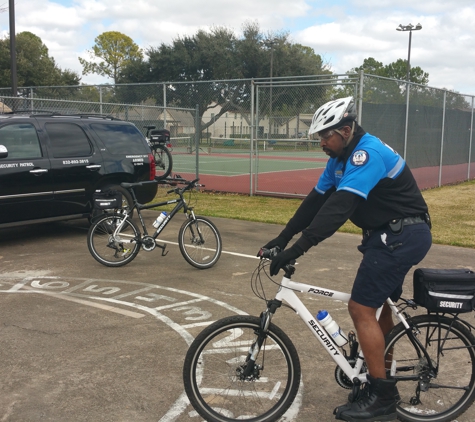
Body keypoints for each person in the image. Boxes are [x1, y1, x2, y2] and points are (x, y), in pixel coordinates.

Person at [260, 96, 432, 421]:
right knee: (378, 308)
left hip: (400, 236)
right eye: (320, 137)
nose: (322, 143)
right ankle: (381, 376)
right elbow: (315, 203)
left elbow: (338, 210)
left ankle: (382, 397)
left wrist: (297, 249)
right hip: (389, 235)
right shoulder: (339, 159)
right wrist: (282, 238)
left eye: (326, 136)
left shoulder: (365, 154)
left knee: (360, 307)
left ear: (346, 129)